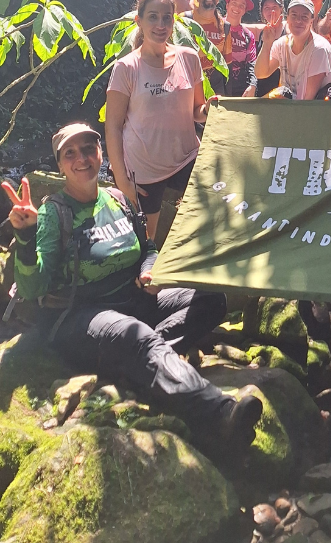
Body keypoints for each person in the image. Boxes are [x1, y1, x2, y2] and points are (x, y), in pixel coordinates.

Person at [1, 123, 262, 460]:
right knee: (134, 335)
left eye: (88, 148)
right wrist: (26, 237)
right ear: (61, 165)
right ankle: (220, 412)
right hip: (79, 316)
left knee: (210, 298)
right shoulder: (55, 213)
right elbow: (32, 286)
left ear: (100, 153)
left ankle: (142, 361)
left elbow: (148, 247)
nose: (81, 158)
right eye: (70, 154)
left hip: (133, 300)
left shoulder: (117, 198)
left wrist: (148, 269)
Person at [106, 0, 213, 241]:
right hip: (143, 168)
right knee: (146, 240)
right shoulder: (126, 67)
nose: (160, 24)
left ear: (174, 21)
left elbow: (197, 113)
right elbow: (113, 127)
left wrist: (208, 109)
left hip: (187, 158)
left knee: (206, 226)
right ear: (139, 21)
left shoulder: (188, 58)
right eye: (153, 17)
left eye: (167, 17)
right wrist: (123, 182)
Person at [255, 0, 331, 100]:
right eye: (294, 15)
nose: (298, 21)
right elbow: (261, 74)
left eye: (304, 17)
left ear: (311, 20)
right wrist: (267, 44)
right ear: (287, 18)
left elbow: (308, 99)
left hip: (313, 110)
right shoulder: (281, 44)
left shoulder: (319, 49)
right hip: (290, 107)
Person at [186, 0, 230, 95]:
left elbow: (227, 63)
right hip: (189, 83)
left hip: (216, 86)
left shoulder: (225, 26)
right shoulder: (184, 20)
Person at [247, 0, 286, 97]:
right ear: (262, 12)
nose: (271, 11)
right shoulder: (263, 33)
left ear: (281, 9)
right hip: (261, 91)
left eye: (274, 7)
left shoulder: (288, 33)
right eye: (267, 8)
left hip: (281, 94)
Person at [223, 0, 257, 97]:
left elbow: (252, 63)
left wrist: (253, 85)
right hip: (216, 85)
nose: (237, 8)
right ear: (227, 6)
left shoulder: (247, 35)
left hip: (239, 88)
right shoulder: (215, 27)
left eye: (242, 6)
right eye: (234, 3)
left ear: (244, 11)